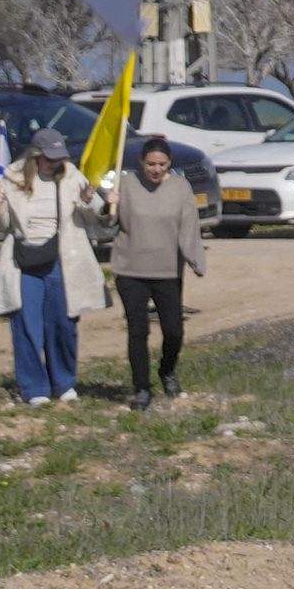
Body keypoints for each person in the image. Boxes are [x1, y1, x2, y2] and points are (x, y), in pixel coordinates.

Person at [98, 134, 206, 408]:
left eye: (162, 164)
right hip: (130, 268)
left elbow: (189, 227)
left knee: (174, 331)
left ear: (169, 163)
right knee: (138, 330)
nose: (157, 169)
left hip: (167, 270)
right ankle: (142, 388)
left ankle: (167, 370)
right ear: (141, 162)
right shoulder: (127, 183)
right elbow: (108, 221)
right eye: (151, 164)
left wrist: (195, 261)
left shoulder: (181, 188)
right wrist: (106, 203)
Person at [0, 124, 88, 407]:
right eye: (48, 159)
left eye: (58, 159)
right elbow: (2, 224)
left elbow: (94, 214)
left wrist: (90, 201)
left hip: (60, 258)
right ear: (34, 156)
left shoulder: (71, 176)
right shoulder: (10, 178)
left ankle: (65, 382)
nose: (53, 164)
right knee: (26, 326)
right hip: (23, 260)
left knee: (63, 324)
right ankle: (35, 388)